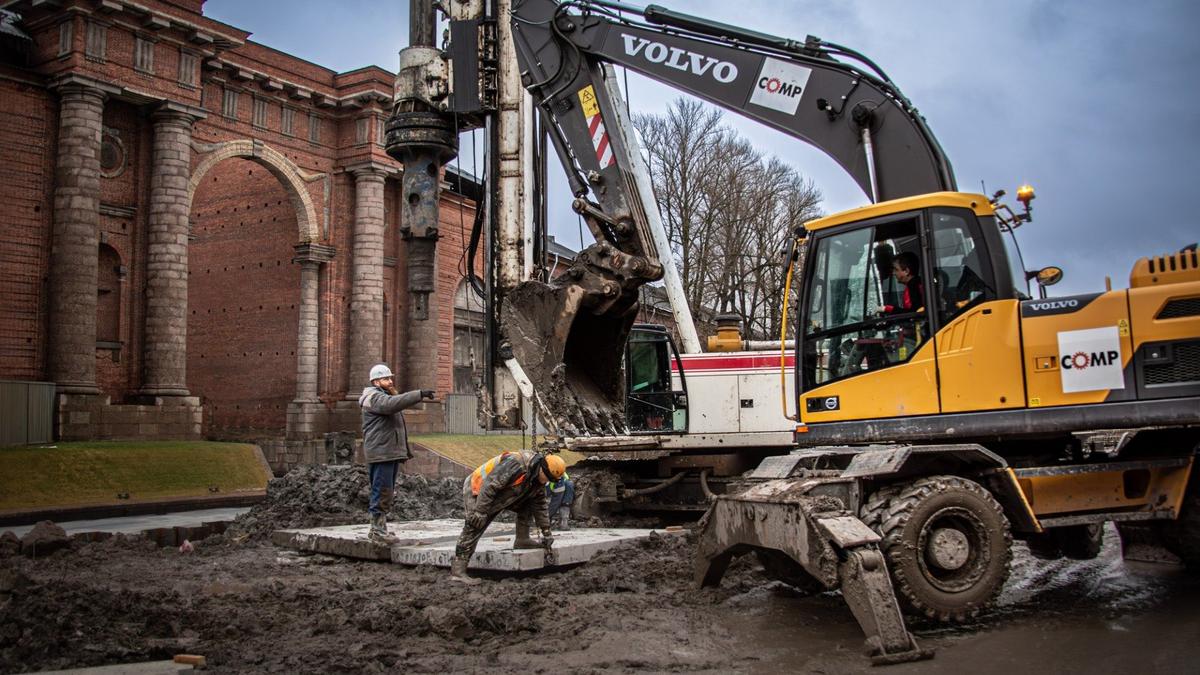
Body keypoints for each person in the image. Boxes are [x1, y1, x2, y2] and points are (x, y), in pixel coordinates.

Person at [450, 451, 567, 584]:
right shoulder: (517, 464)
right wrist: (480, 511)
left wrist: (546, 532)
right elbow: (490, 485)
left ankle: (522, 539)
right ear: (542, 469)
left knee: (530, 502)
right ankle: (458, 572)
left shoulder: (537, 478)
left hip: (503, 491)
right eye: (547, 477)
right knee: (475, 524)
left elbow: (540, 506)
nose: (547, 481)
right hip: (479, 487)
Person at [358, 363, 434, 544]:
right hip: (381, 452)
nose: (390, 381)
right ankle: (377, 531)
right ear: (376, 382)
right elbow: (392, 404)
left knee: (386, 491)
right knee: (381, 490)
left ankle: (379, 528)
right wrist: (419, 394)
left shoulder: (383, 396)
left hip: (387, 452)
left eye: (390, 378)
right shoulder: (374, 398)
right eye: (386, 379)